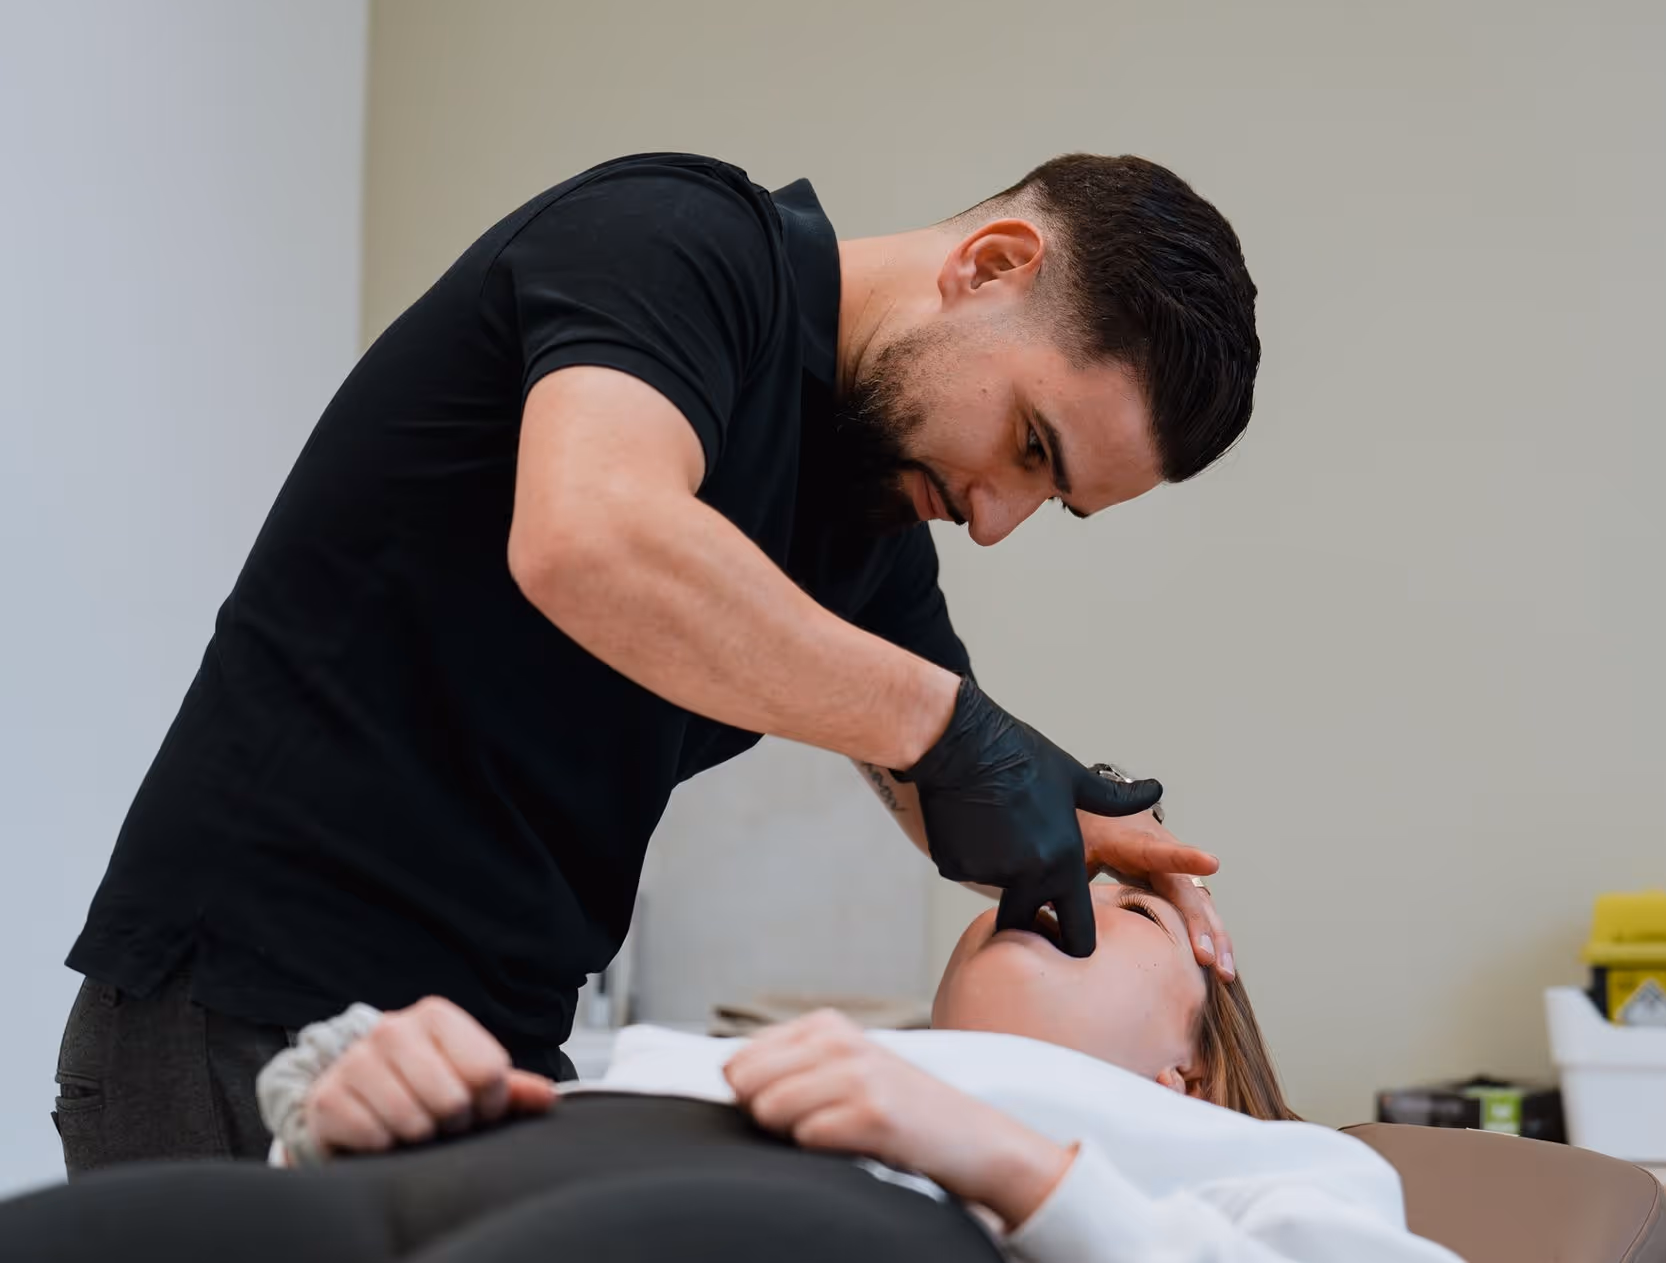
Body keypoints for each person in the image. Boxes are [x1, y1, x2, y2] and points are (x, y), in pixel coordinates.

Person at [55, 152, 1262, 1173]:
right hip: (253, 998)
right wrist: (949, 728)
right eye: (1029, 444)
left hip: (496, 1054)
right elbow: (592, 539)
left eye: (1051, 499)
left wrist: (1064, 820)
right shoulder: (678, 243)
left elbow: (927, 771)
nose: (997, 518)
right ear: (990, 265)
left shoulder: (862, 511)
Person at [3, 885, 1461, 1263]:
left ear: (1192, 1070)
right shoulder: (755, 1050)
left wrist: (1002, 1160)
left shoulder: (1261, 1162)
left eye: (1131, 909)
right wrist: (355, 1094)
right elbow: (317, 1130)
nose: (1069, 892)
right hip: (419, 1183)